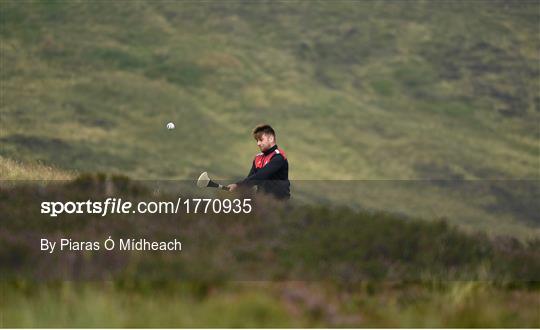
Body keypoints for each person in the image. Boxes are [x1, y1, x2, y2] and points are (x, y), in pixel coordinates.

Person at [227, 124, 290, 199]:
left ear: (271, 139)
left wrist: (238, 185)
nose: (258, 144)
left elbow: (261, 176)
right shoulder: (257, 158)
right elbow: (250, 179)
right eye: (257, 140)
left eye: (261, 140)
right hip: (262, 203)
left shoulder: (278, 157)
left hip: (279, 204)